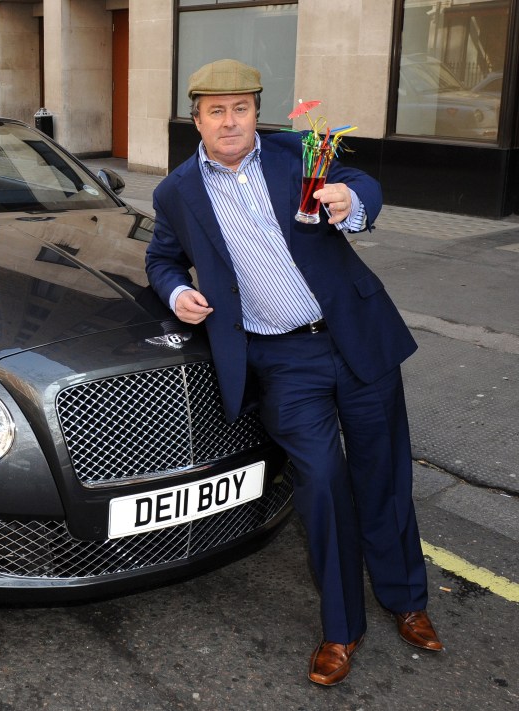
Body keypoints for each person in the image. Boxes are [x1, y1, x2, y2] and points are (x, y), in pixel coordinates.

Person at [145, 59, 442, 687]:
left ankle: (405, 599)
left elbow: (364, 182)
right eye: (216, 111)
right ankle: (342, 629)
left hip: (353, 337)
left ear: (258, 112)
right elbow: (162, 257)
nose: (231, 122)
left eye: (242, 109)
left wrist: (351, 198)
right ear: (195, 120)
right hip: (279, 358)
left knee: (382, 472)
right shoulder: (176, 192)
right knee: (322, 482)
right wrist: (175, 294)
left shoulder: (298, 153)